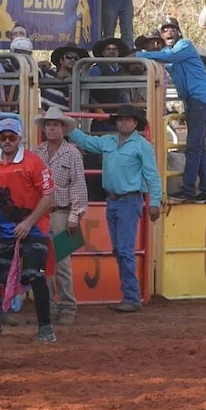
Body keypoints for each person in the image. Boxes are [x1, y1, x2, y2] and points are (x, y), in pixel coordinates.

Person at [0, 118, 56, 342]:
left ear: (19, 139)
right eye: (2, 137)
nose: (7, 141)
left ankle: (46, 328)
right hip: (5, 228)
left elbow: (49, 195)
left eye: (11, 137)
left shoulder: (33, 163)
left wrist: (29, 222)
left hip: (34, 228)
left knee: (35, 275)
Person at [67, 104, 161, 312]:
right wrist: (68, 127)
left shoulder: (141, 145)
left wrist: (155, 202)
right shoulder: (110, 141)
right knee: (121, 249)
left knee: (124, 249)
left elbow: (152, 176)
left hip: (128, 200)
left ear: (135, 123)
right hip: (116, 200)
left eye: (127, 120)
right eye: (121, 120)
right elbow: (85, 141)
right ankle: (130, 296)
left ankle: (131, 297)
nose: (124, 123)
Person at [136, 18, 206, 204]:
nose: (169, 32)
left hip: (198, 101)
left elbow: (169, 58)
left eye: (172, 29)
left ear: (178, 32)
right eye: (165, 30)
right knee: (199, 148)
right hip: (193, 102)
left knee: (193, 148)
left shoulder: (185, 45)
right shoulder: (167, 53)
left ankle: (188, 191)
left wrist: (140, 54)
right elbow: (164, 57)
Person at [33, 107, 88, 325]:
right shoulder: (37, 153)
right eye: (48, 125)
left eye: (55, 125)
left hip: (61, 213)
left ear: (63, 129)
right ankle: (51, 306)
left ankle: (67, 305)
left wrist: (75, 214)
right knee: (41, 263)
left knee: (62, 264)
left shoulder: (72, 153)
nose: (51, 128)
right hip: (41, 214)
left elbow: (78, 187)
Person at [40, 46, 88, 112]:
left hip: (69, 118)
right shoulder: (47, 73)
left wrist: (68, 81)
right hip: (49, 116)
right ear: (61, 60)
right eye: (69, 57)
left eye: (76, 58)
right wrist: (38, 65)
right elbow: (31, 73)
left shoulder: (81, 77)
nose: (72, 60)